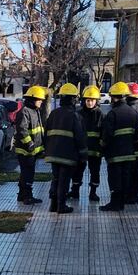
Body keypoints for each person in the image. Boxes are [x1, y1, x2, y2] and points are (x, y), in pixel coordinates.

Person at [99, 82, 138, 212]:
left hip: (115, 155)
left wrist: (102, 147)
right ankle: (122, 202)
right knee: (125, 178)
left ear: (113, 97)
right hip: (129, 154)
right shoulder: (133, 113)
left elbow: (106, 136)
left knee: (114, 179)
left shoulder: (112, 114)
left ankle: (115, 203)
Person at [44, 84, 87, 214]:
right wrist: (83, 156)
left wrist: (48, 149)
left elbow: (46, 133)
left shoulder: (53, 114)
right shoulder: (75, 116)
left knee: (55, 178)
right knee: (64, 181)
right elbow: (80, 138)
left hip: (53, 154)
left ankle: (53, 205)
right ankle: (61, 206)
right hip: (68, 155)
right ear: (74, 99)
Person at [70, 85, 104, 201]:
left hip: (95, 150)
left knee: (95, 172)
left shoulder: (100, 114)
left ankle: (93, 192)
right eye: (88, 100)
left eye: (92, 100)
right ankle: (75, 191)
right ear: (84, 100)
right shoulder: (78, 114)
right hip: (81, 150)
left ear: (96, 101)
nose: (90, 103)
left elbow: (104, 132)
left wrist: (101, 147)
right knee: (77, 171)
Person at [14, 85, 47, 204]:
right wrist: (30, 144)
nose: (41, 102)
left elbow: (38, 130)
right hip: (26, 150)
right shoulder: (25, 112)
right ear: (33, 99)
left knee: (26, 173)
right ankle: (27, 196)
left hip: (32, 150)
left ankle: (22, 195)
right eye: (39, 100)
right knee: (28, 173)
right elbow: (22, 130)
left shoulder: (34, 111)